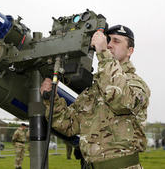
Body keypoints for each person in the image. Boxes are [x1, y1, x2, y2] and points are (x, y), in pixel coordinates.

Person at [40, 25, 150, 169]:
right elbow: (67, 125)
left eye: (116, 41)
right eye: (108, 40)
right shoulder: (93, 90)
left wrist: (103, 53)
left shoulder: (136, 84)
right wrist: (51, 98)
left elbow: (120, 101)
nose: (109, 44)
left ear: (130, 51)